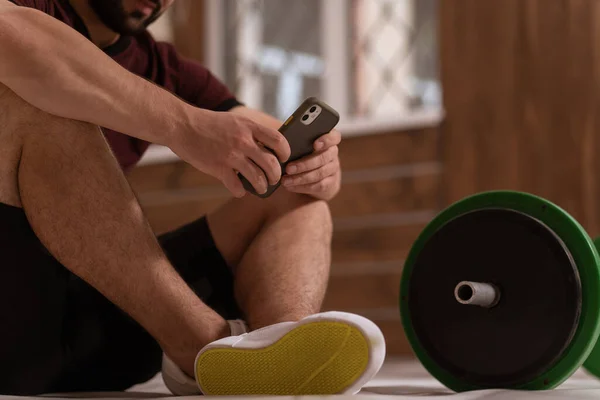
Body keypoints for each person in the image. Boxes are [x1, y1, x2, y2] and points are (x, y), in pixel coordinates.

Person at [0, 0, 385, 396]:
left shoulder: (165, 68)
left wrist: (320, 172)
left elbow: (278, 146)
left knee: (292, 196)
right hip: (13, 321)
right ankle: (202, 345)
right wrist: (183, 124)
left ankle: (278, 358)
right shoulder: (29, 8)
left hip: (101, 332)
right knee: (31, 95)